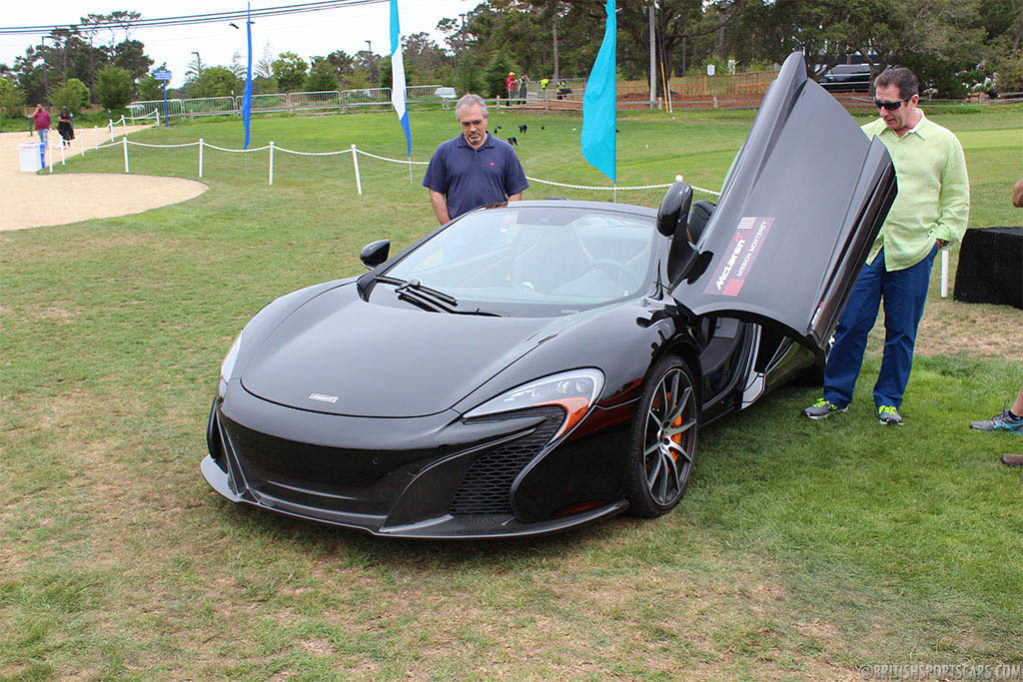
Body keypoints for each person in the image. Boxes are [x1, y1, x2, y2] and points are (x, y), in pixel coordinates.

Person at [803, 66, 970, 426]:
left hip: (913, 253)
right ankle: (835, 397)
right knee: (849, 326)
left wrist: (938, 240)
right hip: (867, 253)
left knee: (901, 332)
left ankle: (889, 401)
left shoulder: (944, 142)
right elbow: (839, 186)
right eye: (878, 104)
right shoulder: (866, 137)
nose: (883, 112)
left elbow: (957, 202)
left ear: (914, 100)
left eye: (891, 105)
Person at [422, 93, 529, 225]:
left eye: (477, 122)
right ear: (459, 122)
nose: (472, 129)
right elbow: (436, 192)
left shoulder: (505, 151)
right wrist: (448, 227)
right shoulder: (444, 152)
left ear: (486, 118)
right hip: (458, 233)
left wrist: (505, 224)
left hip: (495, 231)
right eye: (466, 124)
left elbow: (516, 191)